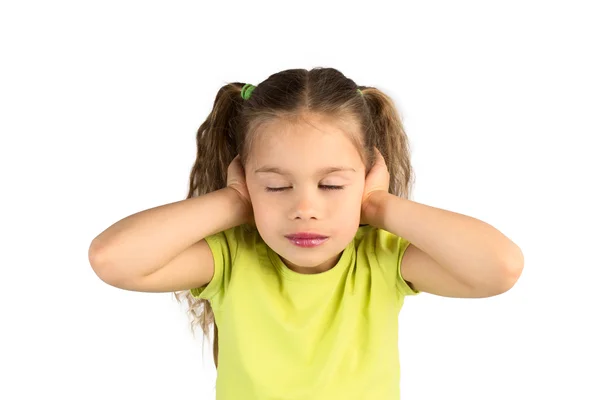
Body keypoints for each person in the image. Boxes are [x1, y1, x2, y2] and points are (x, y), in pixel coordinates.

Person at [88, 67, 524, 400]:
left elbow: (499, 269)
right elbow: (113, 259)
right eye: (276, 186)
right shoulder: (231, 259)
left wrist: (378, 206)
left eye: (332, 185)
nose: (304, 210)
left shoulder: (382, 258)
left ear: (368, 174)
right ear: (246, 176)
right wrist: (234, 201)